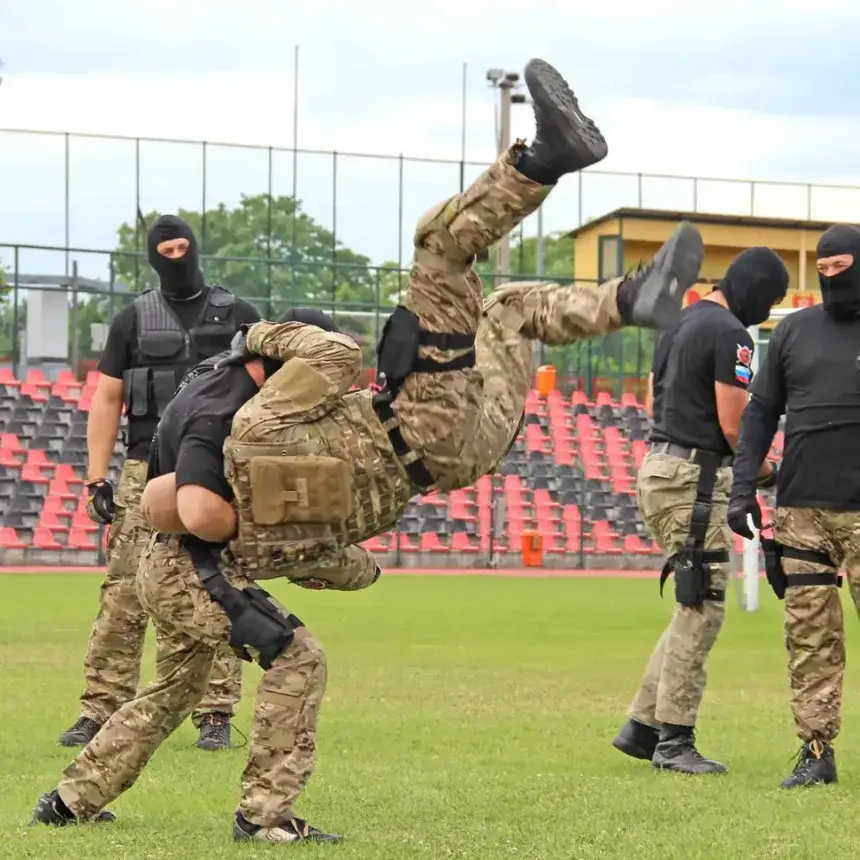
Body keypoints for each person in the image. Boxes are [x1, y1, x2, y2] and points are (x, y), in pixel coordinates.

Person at [31, 57, 705, 841]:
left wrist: (336, 553)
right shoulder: (256, 421)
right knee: (441, 251)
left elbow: (345, 569)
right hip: (424, 424)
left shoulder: (249, 509)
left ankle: (71, 800)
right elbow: (341, 358)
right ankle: (545, 163)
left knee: (512, 310)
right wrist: (256, 336)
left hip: (449, 455)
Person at [57, 215, 261, 753]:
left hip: (215, 469)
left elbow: (269, 391)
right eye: (166, 249)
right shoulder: (132, 319)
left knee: (216, 587)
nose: (178, 255)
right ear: (152, 256)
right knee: (124, 593)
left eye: (183, 246)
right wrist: (96, 478)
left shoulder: (240, 316)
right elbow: (106, 400)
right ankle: (100, 708)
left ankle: (215, 712)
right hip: (143, 469)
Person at [611, 247, 789, 775]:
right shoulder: (731, 333)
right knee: (704, 605)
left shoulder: (679, 324)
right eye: (772, 299)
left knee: (690, 600)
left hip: (661, 467)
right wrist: (771, 469)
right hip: (696, 478)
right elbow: (735, 427)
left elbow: (652, 403)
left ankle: (643, 726)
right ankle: (675, 741)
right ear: (757, 288)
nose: (767, 309)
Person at [727, 223, 860, 789]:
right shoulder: (794, 332)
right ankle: (815, 752)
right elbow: (758, 414)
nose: (832, 280)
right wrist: (741, 489)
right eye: (823, 271)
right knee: (809, 638)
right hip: (802, 507)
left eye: (842, 268)